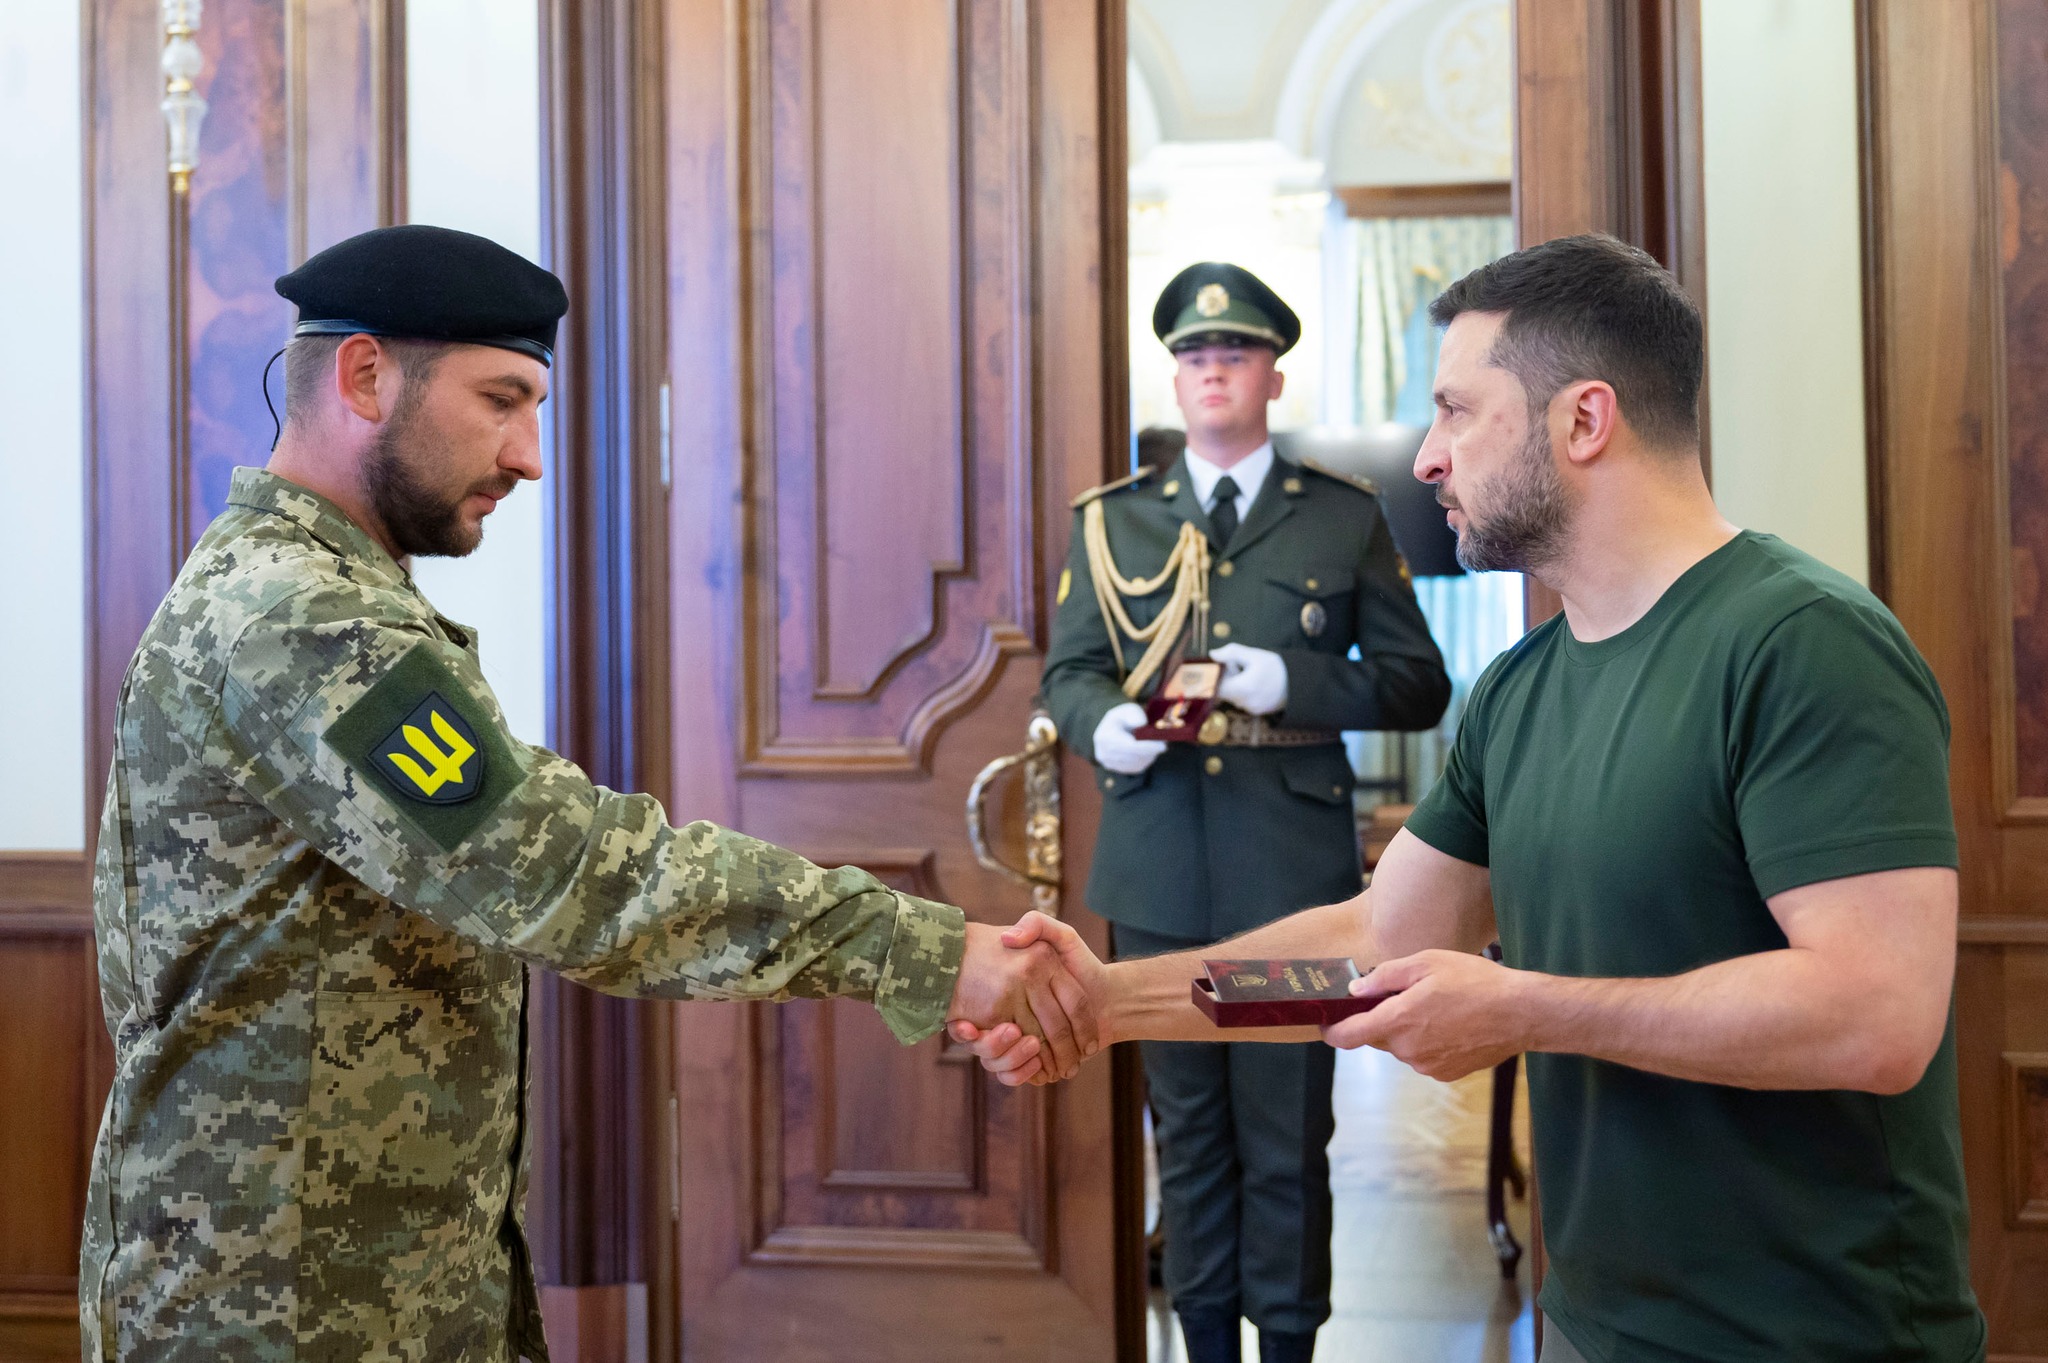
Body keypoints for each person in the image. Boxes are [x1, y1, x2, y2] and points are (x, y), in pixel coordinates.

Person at [961, 234, 1988, 1362]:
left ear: (1583, 421)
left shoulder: (1804, 644)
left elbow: (1876, 1013)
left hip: (1813, 1334)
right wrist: (1105, 1001)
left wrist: (1525, 1008)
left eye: (1456, 410)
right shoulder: (1518, 688)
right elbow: (1374, 939)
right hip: (1593, 1323)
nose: (1428, 458)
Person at [80, 224, 1092, 1363]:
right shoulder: (298, 616)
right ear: (365, 376)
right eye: (500, 401)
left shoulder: (327, 593)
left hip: (366, 1286)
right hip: (276, 1309)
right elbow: (564, 868)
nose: (527, 456)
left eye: (535, 409)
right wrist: (928, 951)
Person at [1039, 261, 1450, 1363]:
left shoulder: (1342, 517)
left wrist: (1295, 683)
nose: (1212, 370)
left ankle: (1289, 1346)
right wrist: (1100, 726)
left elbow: (1419, 685)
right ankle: (1205, 1345)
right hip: (1159, 871)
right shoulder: (1113, 523)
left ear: (1273, 375)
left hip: (1290, 878)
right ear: (1174, 380)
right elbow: (1068, 672)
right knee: (1187, 1141)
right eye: (1193, 356)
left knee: (1285, 1138)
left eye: (1234, 353)